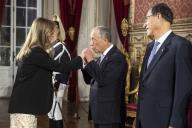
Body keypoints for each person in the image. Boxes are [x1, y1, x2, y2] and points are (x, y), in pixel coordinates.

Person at [8, 17, 83, 128]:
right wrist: (82, 58)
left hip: (22, 107)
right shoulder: (37, 53)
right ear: (45, 34)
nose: (56, 34)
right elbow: (61, 67)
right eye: (53, 32)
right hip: (24, 110)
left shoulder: (33, 50)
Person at [135, 3, 192, 128]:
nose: (144, 24)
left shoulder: (180, 46)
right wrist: (138, 117)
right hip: (144, 119)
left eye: (147, 18)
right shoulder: (150, 47)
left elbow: (183, 89)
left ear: (158, 17)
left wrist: (175, 123)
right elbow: (144, 84)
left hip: (164, 121)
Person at [82, 26, 128, 128]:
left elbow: (103, 80)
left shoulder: (117, 58)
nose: (90, 43)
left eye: (93, 39)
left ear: (105, 40)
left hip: (110, 115)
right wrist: (85, 63)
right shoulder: (101, 58)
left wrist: (90, 60)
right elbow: (89, 80)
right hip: (99, 113)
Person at [47, 15, 71, 128]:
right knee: (51, 113)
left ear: (57, 32)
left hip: (57, 85)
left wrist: (60, 88)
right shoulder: (52, 47)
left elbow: (66, 69)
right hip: (51, 84)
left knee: (56, 113)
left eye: (52, 30)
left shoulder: (60, 47)